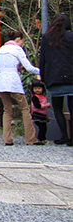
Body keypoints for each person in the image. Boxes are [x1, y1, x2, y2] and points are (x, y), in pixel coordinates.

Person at [0, 31, 40, 146]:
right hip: (13, 81)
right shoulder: (17, 50)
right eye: (22, 42)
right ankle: (30, 138)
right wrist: (41, 71)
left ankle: (7, 139)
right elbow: (29, 68)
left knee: (7, 110)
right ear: (19, 39)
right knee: (25, 109)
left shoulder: (0, 50)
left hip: (1, 82)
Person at [39, 13, 73, 145]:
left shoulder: (47, 37)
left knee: (57, 107)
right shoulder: (71, 36)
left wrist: (43, 77)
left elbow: (43, 58)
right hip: (71, 76)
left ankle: (64, 135)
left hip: (53, 76)